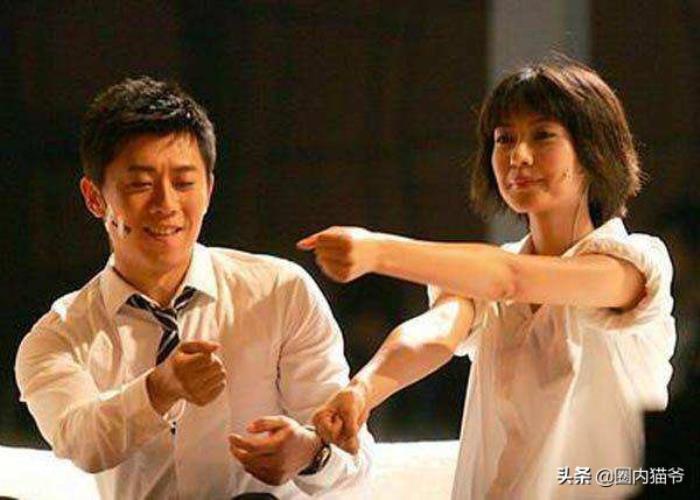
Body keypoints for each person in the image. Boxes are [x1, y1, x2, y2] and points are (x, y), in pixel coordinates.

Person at [298, 58, 676, 499]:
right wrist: (361, 392)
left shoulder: (634, 264)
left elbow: (511, 280)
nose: (518, 156)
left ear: (594, 151)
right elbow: (434, 332)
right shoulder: (488, 272)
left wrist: (377, 251)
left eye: (543, 135)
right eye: (504, 139)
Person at [15, 77, 373, 500]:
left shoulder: (281, 291)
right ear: (95, 197)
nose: (166, 204)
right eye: (141, 184)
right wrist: (158, 389)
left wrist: (311, 455)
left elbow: (353, 458)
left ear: (209, 190)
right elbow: (81, 442)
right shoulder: (58, 336)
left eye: (184, 183)